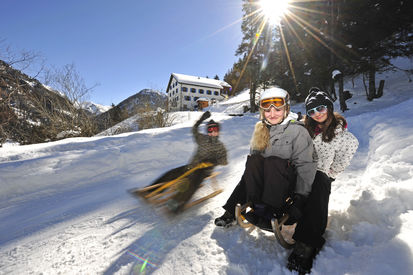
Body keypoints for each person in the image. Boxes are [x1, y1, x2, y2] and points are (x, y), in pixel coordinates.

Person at [214, 87, 317, 229]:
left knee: (273, 162)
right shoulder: (261, 129)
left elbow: (305, 165)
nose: (272, 114)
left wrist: (301, 197)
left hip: (286, 184)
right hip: (265, 182)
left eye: (278, 109)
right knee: (253, 161)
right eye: (267, 110)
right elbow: (252, 169)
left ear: (286, 109)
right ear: (263, 112)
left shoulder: (297, 131)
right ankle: (240, 209)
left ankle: (270, 212)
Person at [287, 87, 359, 274]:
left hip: (318, 176)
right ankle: (271, 209)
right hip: (298, 172)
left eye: (320, 108)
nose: (316, 114)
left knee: (320, 181)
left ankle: (306, 244)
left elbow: (340, 163)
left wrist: (328, 177)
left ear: (328, 106)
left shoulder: (345, 138)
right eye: (311, 111)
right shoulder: (305, 129)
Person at [139, 111, 228, 214]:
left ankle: (175, 205)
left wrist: (215, 161)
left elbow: (225, 161)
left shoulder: (220, 146)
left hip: (204, 171)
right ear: (208, 131)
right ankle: (149, 191)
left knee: (191, 183)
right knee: (172, 173)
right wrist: (201, 120)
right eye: (210, 129)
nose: (212, 132)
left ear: (218, 131)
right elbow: (194, 130)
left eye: (215, 129)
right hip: (192, 166)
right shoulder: (202, 139)